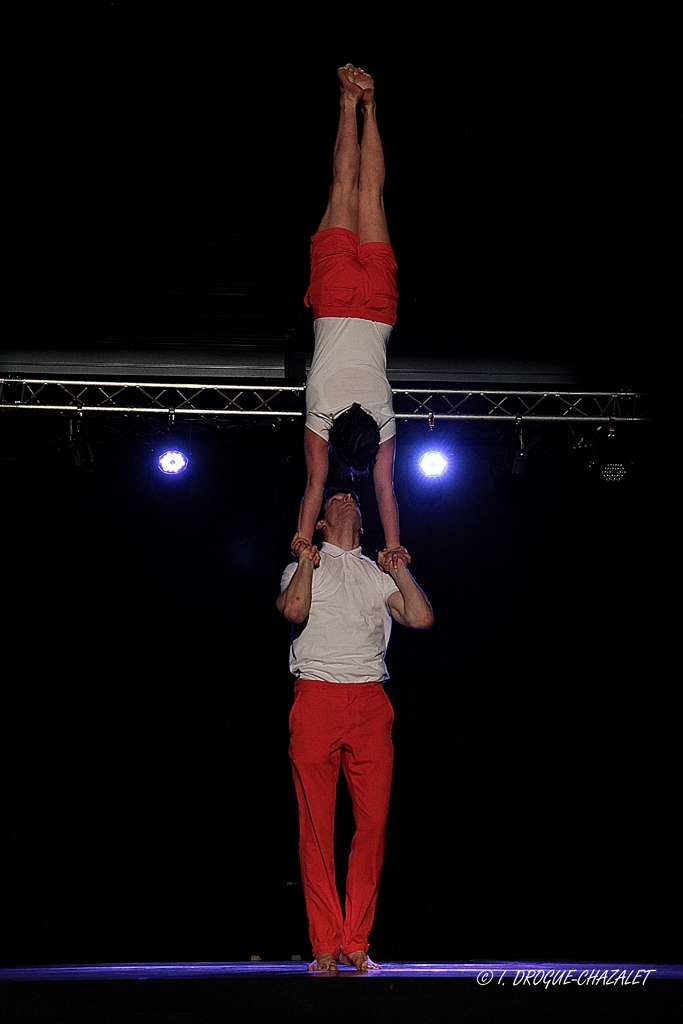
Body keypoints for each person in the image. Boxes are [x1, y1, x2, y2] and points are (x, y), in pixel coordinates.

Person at [277, 489, 434, 971]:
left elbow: (421, 617)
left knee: (372, 826)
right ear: (321, 521)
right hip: (317, 696)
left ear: (362, 521)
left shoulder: (374, 573)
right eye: (335, 497)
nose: (346, 498)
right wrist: (306, 557)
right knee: (316, 828)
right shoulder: (303, 566)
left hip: (369, 701)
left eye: (352, 497)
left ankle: (357, 942)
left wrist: (398, 566)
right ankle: (325, 944)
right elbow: (294, 611)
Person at [292, 65, 407, 571]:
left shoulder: (383, 419)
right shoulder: (320, 413)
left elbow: (385, 487)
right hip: (336, 301)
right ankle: (346, 101)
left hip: (379, 310)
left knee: (371, 195)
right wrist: (302, 539)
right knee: (344, 188)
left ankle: (371, 106)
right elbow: (314, 484)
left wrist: (394, 545)